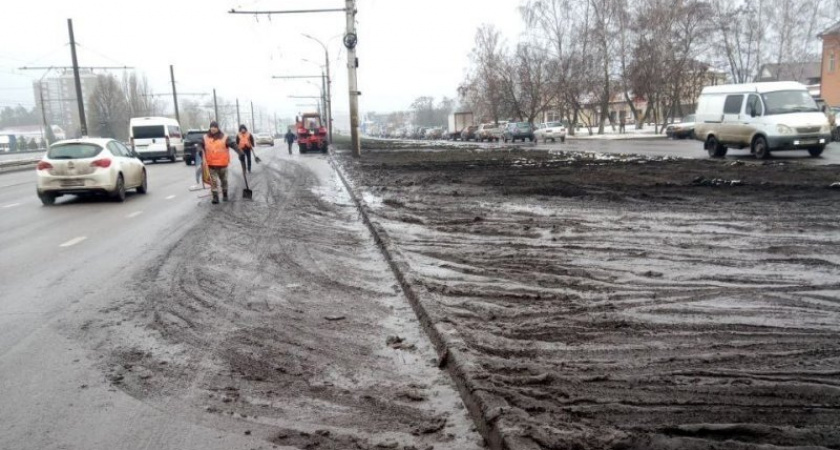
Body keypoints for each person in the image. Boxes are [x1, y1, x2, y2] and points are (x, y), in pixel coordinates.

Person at [198, 121, 243, 205]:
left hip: (222, 164)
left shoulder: (225, 137)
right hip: (211, 164)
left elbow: (233, 145)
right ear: (210, 128)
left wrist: (240, 152)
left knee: (224, 180)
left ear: (218, 128)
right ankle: (215, 197)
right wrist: (200, 150)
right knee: (214, 181)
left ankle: (225, 194)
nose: (213, 128)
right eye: (212, 127)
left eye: (215, 127)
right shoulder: (205, 137)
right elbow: (200, 145)